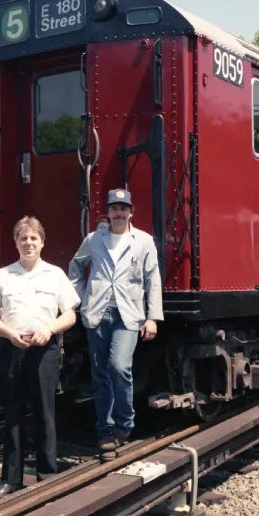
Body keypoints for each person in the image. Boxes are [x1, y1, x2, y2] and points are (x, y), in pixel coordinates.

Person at [0, 217, 80, 499]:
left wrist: (49, 329)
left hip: (44, 350)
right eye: (23, 238)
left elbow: (70, 315)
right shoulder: (2, 276)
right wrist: (9, 333)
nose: (29, 243)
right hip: (12, 349)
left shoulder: (56, 275)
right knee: (12, 414)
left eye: (34, 238)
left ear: (42, 242)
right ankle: (11, 479)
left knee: (45, 413)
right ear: (16, 243)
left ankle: (47, 476)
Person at [69, 189, 163, 461]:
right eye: (114, 209)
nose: (119, 214)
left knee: (119, 366)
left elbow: (152, 279)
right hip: (97, 313)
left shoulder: (143, 241)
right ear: (108, 213)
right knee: (99, 373)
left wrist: (153, 317)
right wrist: (80, 297)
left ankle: (124, 422)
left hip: (129, 314)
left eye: (124, 209)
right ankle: (105, 430)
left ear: (131, 212)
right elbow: (76, 266)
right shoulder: (94, 239)